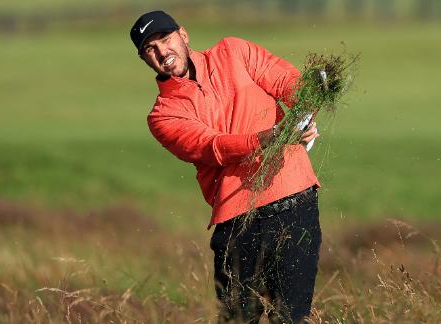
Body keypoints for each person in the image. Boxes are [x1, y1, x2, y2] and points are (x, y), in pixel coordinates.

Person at [130, 11, 321, 323]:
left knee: (292, 318)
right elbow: (213, 147)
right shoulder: (163, 115)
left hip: (295, 202)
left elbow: (286, 80)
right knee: (237, 319)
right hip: (238, 222)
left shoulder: (234, 51)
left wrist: (306, 109)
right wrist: (272, 136)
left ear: (183, 35)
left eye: (165, 40)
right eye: (150, 49)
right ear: (144, 59)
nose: (163, 52)